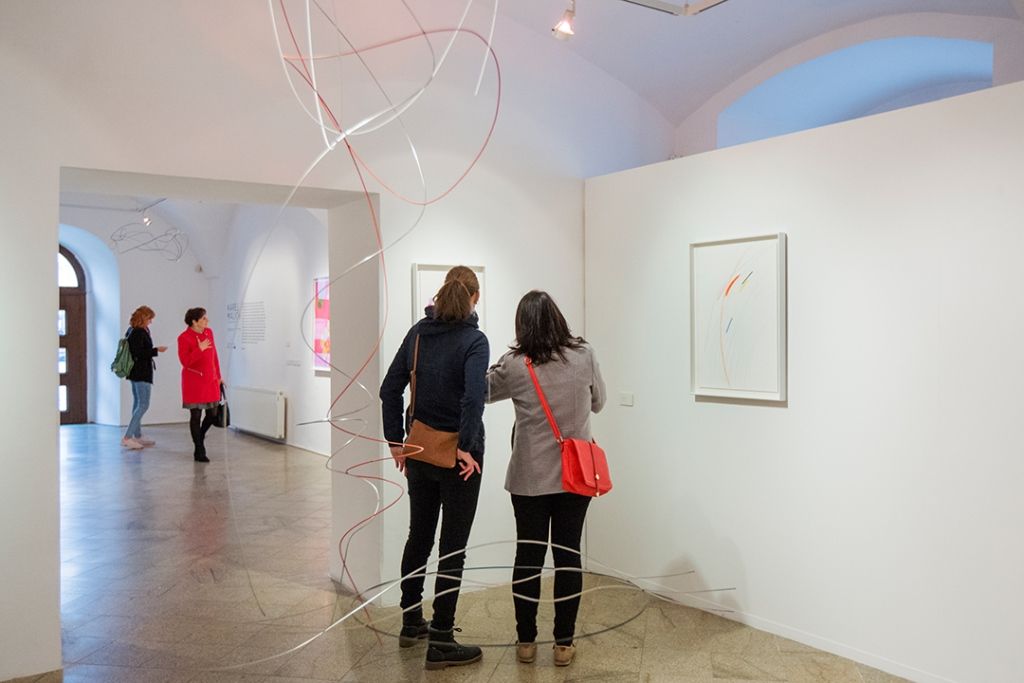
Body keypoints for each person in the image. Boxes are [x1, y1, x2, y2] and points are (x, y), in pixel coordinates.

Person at [485, 290, 606, 668]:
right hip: (576, 477)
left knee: (528, 558)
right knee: (568, 556)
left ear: (522, 326)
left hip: (529, 479)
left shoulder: (516, 365)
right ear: (557, 318)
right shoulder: (584, 356)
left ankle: (526, 642)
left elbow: (483, 392)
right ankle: (564, 644)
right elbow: (599, 402)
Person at [379, 266, 488, 671]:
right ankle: (441, 639)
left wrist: (396, 442)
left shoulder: (419, 334)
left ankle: (411, 620)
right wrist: (466, 447)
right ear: (475, 297)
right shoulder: (475, 341)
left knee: (419, 536)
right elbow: (473, 399)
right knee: (452, 548)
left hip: (420, 451)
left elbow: (389, 389)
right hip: (459, 461)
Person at [177, 307, 223, 463]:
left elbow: (214, 356)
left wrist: (219, 376)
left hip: (211, 380)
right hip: (194, 382)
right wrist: (199, 349)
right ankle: (199, 449)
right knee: (196, 416)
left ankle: (200, 436)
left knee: (213, 414)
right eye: (203, 318)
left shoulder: (209, 332)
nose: (207, 320)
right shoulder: (184, 338)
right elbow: (185, 362)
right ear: (194, 321)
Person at [122, 306, 168, 450]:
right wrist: (156, 350)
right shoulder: (138, 332)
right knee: (143, 404)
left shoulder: (132, 330)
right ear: (143, 318)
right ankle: (127, 437)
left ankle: (137, 435)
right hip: (141, 373)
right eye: (149, 319)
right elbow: (138, 353)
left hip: (135, 372)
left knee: (138, 403)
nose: (151, 322)